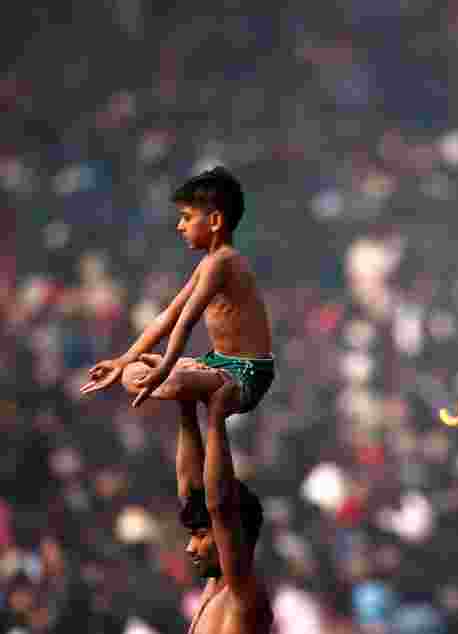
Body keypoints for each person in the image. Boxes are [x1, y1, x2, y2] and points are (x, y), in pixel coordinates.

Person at [80, 166, 275, 423]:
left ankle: (178, 377)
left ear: (215, 221)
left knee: (175, 381)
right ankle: (177, 376)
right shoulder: (208, 263)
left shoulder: (223, 262)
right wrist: (122, 360)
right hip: (216, 363)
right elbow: (170, 315)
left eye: (186, 217)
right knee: (130, 373)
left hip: (245, 374)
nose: (179, 226)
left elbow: (185, 322)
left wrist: (165, 369)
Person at [176, 396, 273, 633]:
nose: (190, 547)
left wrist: (216, 418)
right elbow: (192, 491)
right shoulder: (213, 589)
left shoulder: (244, 594)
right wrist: (186, 407)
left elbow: (220, 507)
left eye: (200, 535)